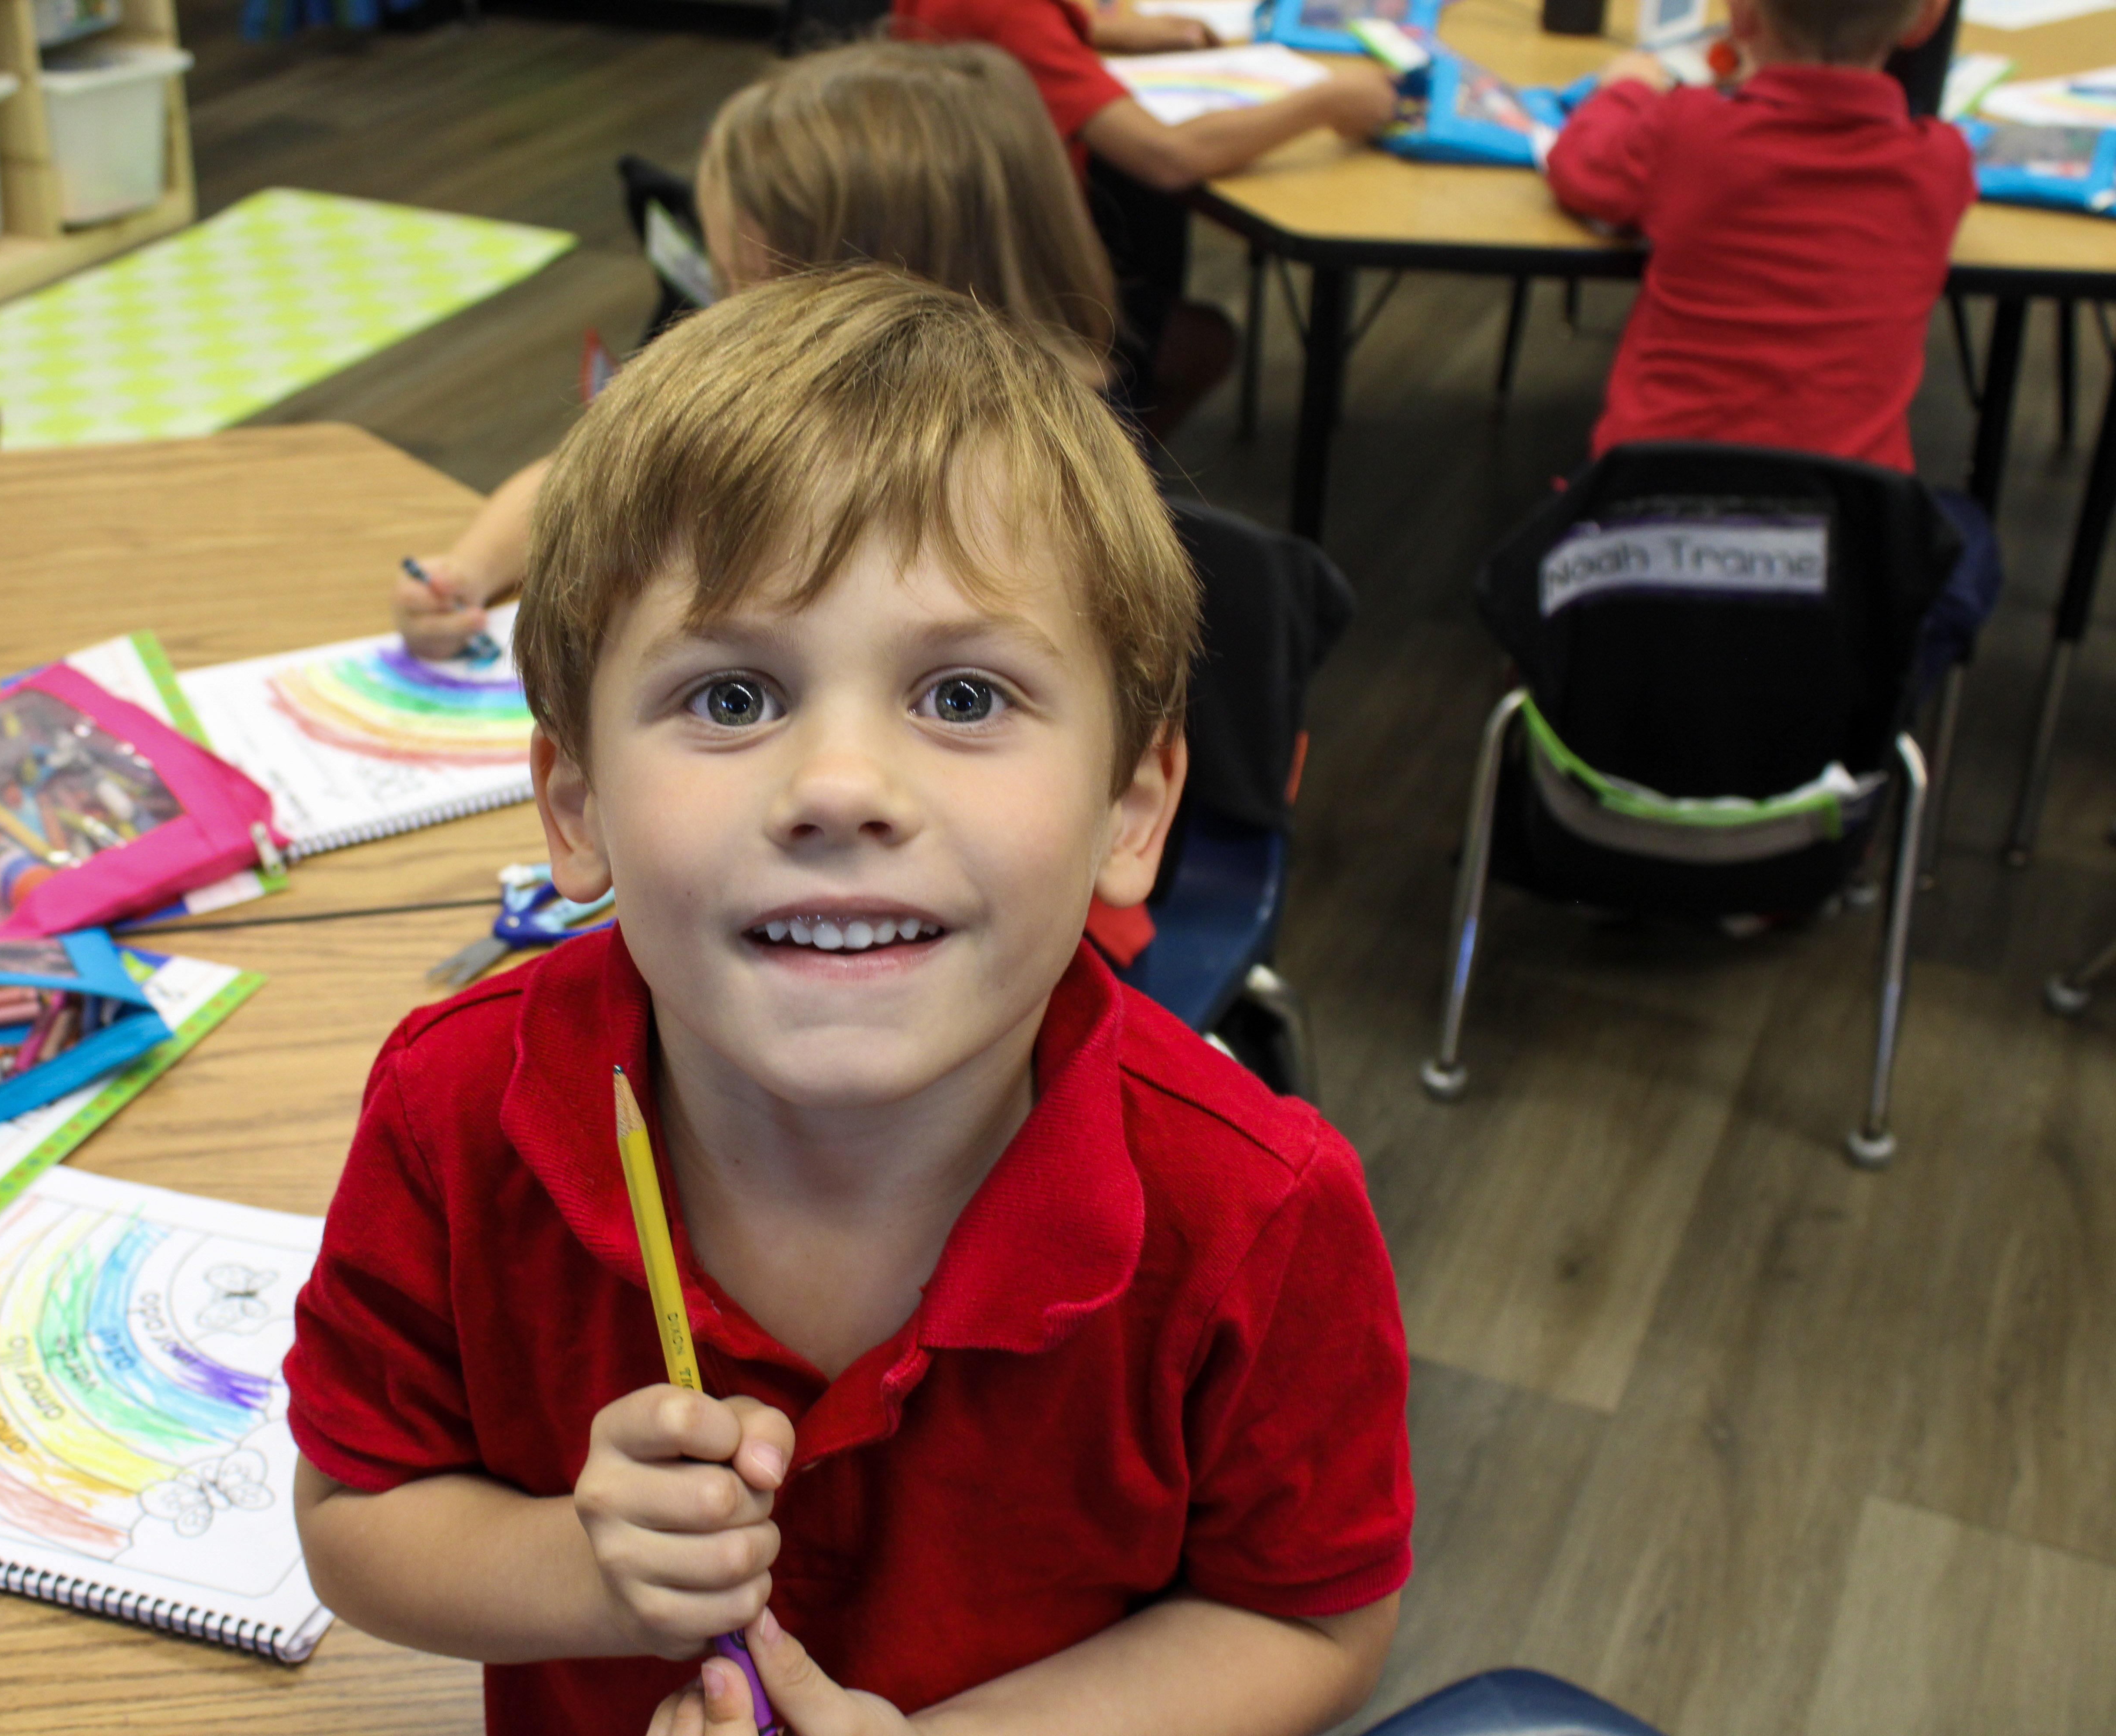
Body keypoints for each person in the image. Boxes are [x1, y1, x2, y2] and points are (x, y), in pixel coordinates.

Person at [286, 268, 1412, 1736]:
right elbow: (356, 1512)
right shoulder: (454, 1112)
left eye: (963, 698)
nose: (837, 787)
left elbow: (1309, 1617)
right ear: (576, 807)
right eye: (732, 699)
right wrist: (585, 1572)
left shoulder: (1260, 1213)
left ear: (1132, 808)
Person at [396, 38, 1125, 661]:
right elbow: (578, 484)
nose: (724, 320)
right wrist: (466, 573)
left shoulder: (1039, 494)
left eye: (746, 287)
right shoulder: (765, 402)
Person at [1545, 0, 1994, 697]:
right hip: (1843, 557)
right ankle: (1867, 713)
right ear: (1927, 20)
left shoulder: (1688, 131)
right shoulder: (1942, 164)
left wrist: (1627, 88)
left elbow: (1580, 167)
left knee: (1576, 497)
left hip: (1643, 528)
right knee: (1969, 538)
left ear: (1740, 13)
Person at [891, 0, 1397, 434]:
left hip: (952, 261)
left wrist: (1103, 31)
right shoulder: (1008, 11)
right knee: (1205, 345)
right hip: (1014, 293)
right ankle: (1107, 477)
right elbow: (1169, 157)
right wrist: (1328, 102)